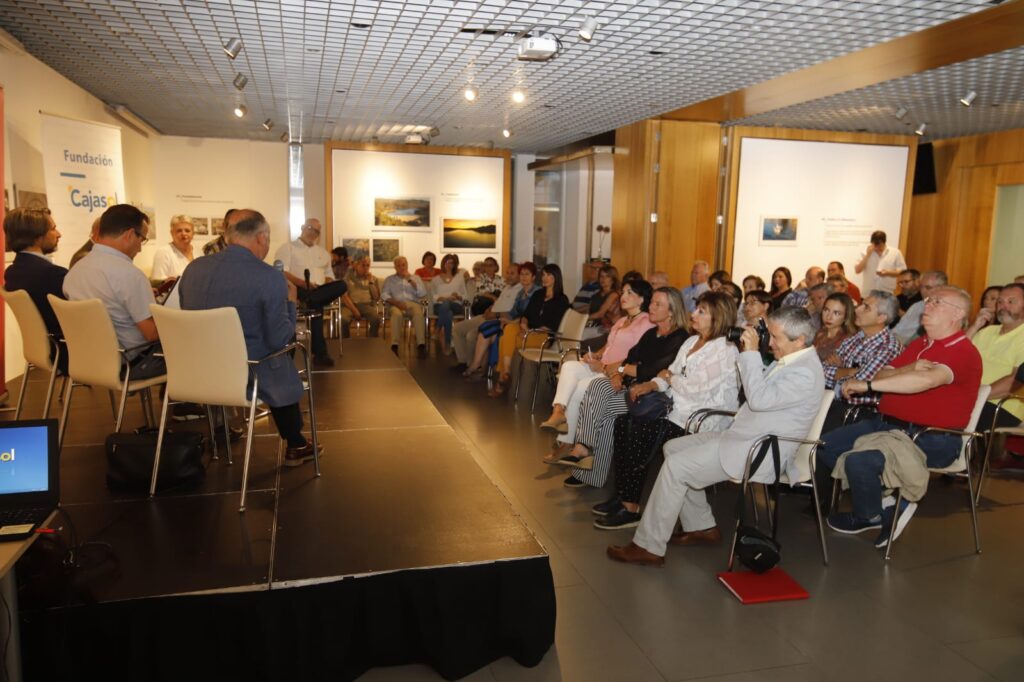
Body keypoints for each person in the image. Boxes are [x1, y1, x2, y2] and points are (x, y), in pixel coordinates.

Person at [605, 307, 824, 562]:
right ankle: (702, 526)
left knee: (677, 466)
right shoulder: (793, 359)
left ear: (798, 340)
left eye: (775, 337)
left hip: (761, 449)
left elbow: (759, 399)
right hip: (745, 436)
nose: (770, 342)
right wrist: (748, 356)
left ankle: (648, 546)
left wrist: (751, 354)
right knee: (674, 448)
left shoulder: (805, 371)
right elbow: (757, 393)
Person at [816, 285, 982, 549]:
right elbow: (883, 374)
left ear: (957, 314)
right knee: (826, 446)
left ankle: (876, 509)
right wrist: (904, 369)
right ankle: (877, 508)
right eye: (928, 300)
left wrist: (866, 385)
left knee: (860, 461)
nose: (927, 305)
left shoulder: (963, 351)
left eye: (937, 302)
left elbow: (924, 380)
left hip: (929, 437)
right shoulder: (919, 344)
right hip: (887, 426)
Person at [177, 209, 319, 466]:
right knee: (279, 356)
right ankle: (295, 443)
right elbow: (280, 339)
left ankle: (221, 427)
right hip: (245, 376)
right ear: (262, 237)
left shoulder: (193, 270)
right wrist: (290, 303)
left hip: (195, 374)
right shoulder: (268, 277)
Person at [594, 291, 742, 529]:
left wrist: (669, 378)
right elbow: (669, 373)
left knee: (642, 429)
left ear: (717, 318)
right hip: (675, 409)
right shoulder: (691, 342)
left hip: (700, 419)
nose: (693, 314)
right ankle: (622, 495)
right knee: (623, 422)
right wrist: (651, 384)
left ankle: (631, 506)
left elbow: (696, 389)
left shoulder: (724, 350)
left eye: (701, 311)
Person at [555, 287, 690, 489]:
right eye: (651, 302)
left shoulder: (680, 337)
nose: (651, 307)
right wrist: (619, 371)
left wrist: (623, 369)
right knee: (598, 385)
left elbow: (653, 370)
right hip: (631, 386)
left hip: (653, 396)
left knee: (604, 411)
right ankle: (584, 450)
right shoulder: (652, 333)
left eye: (657, 304)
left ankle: (586, 456)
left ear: (671, 311)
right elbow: (630, 359)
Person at [540, 280, 655, 459]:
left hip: (615, 374)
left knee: (578, 388)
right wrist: (595, 356)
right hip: (600, 366)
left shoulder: (646, 323)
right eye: (622, 292)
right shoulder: (623, 320)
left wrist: (603, 366)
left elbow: (635, 358)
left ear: (641, 299)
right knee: (569, 366)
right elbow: (609, 346)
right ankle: (558, 412)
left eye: (629, 293)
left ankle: (566, 442)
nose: (622, 297)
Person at [63, 204, 165, 380]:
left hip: (90, 360)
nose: (140, 248)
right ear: (130, 235)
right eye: (142, 240)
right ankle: (183, 406)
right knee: (192, 346)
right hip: (132, 362)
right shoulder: (130, 275)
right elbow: (152, 334)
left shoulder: (74, 272)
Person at [819, 291, 903, 434]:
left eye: (866, 307)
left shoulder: (887, 347)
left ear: (881, 317)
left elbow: (854, 387)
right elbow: (820, 369)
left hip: (858, 414)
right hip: (834, 404)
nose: (857, 309)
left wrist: (841, 371)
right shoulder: (857, 337)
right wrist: (848, 371)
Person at [274, 218, 348, 368]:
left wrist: (324, 285)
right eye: (310, 228)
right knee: (316, 304)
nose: (313, 233)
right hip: (297, 290)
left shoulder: (323, 253)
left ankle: (313, 300)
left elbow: (329, 276)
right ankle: (320, 354)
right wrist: (303, 283)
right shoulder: (288, 248)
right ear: (302, 227)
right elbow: (282, 273)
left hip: (319, 291)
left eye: (317, 231)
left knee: (342, 285)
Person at [488, 263, 569, 398]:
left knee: (506, 339)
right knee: (509, 329)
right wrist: (524, 324)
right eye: (543, 275)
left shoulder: (561, 299)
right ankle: (507, 372)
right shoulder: (538, 294)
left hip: (543, 337)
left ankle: (503, 377)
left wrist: (530, 331)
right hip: (528, 331)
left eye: (548, 275)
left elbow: (553, 325)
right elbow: (526, 315)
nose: (544, 278)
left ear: (556, 278)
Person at [3, 207, 68, 372]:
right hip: (68, 353)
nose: (59, 234)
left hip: (44, 351)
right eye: (53, 229)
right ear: (37, 237)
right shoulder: (53, 274)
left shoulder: (11, 273)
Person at [463, 263, 538, 379]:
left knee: (486, 332)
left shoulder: (537, 293)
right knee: (486, 331)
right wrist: (501, 316)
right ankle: (482, 368)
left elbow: (528, 315)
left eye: (526, 274)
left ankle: (477, 366)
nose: (523, 277)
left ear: (533, 277)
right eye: (522, 274)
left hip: (523, 326)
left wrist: (500, 317)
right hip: (507, 320)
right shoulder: (521, 293)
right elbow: (513, 311)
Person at [968, 283, 1024, 432]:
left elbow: (1015, 382)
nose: (1003, 306)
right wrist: (974, 327)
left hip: (1002, 406)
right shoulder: (986, 331)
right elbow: (955, 358)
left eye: (1011, 301)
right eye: (1000, 301)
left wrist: (974, 397)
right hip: (971, 399)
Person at [453, 262, 519, 369]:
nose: (508, 276)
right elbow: (498, 301)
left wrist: (495, 314)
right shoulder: (507, 287)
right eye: (507, 273)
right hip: (488, 314)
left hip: (497, 318)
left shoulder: (519, 290)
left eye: (512, 273)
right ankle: (463, 362)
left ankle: (471, 366)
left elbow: (511, 312)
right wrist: (489, 308)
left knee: (471, 335)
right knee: (457, 328)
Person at [382, 256, 429, 357]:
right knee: (396, 314)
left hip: (412, 303)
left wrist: (410, 280)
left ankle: (421, 344)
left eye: (403, 265)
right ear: (395, 267)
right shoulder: (390, 279)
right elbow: (384, 294)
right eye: (398, 265)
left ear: (407, 265)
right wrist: (396, 302)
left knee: (418, 312)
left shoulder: (416, 278)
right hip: (396, 304)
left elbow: (422, 293)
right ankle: (394, 345)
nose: (401, 267)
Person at [892, 270, 947, 344]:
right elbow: (898, 328)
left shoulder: (945, 310)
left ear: (942, 288)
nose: (923, 291)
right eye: (921, 287)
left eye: (928, 287)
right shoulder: (917, 306)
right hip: (897, 341)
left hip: (912, 345)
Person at [431, 253, 467, 355]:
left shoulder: (459, 278)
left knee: (448, 305)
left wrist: (458, 296)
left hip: (456, 305)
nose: (449, 265)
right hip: (439, 306)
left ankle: (438, 329)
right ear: (443, 263)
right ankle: (447, 344)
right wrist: (442, 298)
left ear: (455, 264)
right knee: (448, 313)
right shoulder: (436, 279)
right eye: (447, 262)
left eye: (452, 263)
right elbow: (434, 296)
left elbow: (465, 295)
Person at [340, 256, 381, 337]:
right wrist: (354, 310)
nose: (366, 268)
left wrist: (371, 282)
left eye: (368, 265)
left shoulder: (373, 279)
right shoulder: (347, 278)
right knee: (343, 320)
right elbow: (344, 297)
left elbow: (376, 297)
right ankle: (346, 342)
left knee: (376, 319)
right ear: (356, 265)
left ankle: (372, 341)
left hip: (366, 305)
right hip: (350, 305)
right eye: (363, 265)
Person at [854, 230, 906, 294]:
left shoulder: (895, 253)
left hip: (887, 293)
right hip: (868, 293)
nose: (876, 248)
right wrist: (867, 255)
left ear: (884, 242)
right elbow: (857, 270)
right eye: (874, 245)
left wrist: (888, 272)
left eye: (879, 246)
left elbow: (903, 272)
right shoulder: (864, 252)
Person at [582, 264, 621, 342]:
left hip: (604, 327)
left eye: (607, 276)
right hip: (593, 325)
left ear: (613, 279)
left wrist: (581, 319)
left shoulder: (614, 294)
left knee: (579, 334)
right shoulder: (596, 294)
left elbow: (601, 313)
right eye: (601, 276)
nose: (603, 279)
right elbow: (588, 310)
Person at [812, 292, 856, 361]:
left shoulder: (848, 341)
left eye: (836, 313)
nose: (829, 317)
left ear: (846, 316)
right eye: (826, 310)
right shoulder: (820, 333)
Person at [150, 215, 195, 280]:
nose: (183, 234)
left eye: (187, 230)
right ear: (172, 233)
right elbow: (158, 282)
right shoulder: (163, 253)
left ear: (193, 233)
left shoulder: (199, 252)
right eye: (179, 231)